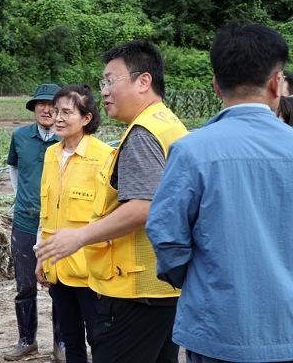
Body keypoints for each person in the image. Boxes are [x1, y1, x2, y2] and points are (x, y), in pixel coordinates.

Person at [147, 23, 293, 362]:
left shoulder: (191, 150)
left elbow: (166, 235)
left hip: (216, 329)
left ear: (215, 85)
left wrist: (204, 281)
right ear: (276, 83)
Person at [36, 40, 188, 362]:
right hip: (163, 288)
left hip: (134, 290)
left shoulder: (143, 133)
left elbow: (143, 206)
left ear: (143, 81)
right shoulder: (169, 124)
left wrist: (79, 236)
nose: (104, 90)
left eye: (110, 80)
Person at [35, 84, 113, 362]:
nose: (58, 118)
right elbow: (47, 213)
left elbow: (109, 215)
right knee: (70, 339)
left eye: (67, 112)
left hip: (90, 271)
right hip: (58, 266)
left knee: (99, 338)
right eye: (56, 112)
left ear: (86, 118)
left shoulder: (104, 156)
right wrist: (41, 257)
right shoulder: (51, 155)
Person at [4, 84, 64, 361]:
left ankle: (61, 344)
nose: (46, 108)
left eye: (52, 103)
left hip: (59, 224)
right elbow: (13, 169)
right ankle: (27, 340)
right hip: (26, 222)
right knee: (25, 284)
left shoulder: (67, 138)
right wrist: (24, 198)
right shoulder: (20, 137)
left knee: (60, 285)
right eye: (40, 104)